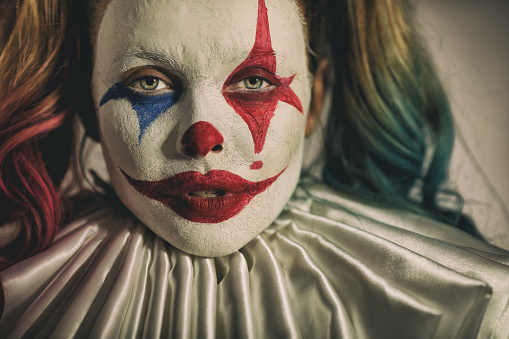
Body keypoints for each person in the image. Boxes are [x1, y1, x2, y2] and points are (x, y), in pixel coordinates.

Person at [0, 0, 507, 337]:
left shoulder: (475, 306)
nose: (203, 138)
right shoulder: (19, 298)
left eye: (256, 81)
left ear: (316, 97)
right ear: (88, 107)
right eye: (149, 83)